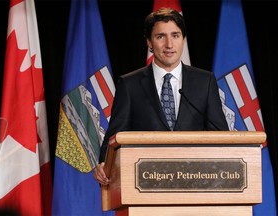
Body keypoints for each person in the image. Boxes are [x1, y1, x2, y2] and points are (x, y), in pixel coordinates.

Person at [94, 8, 228, 185]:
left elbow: (221, 136)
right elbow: (115, 137)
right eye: (160, 37)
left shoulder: (205, 81)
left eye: (175, 35)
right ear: (149, 42)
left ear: (183, 39)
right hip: (145, 183)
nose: (169, 45)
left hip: (196, 182)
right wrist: (104, 165)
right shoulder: (130, 85)